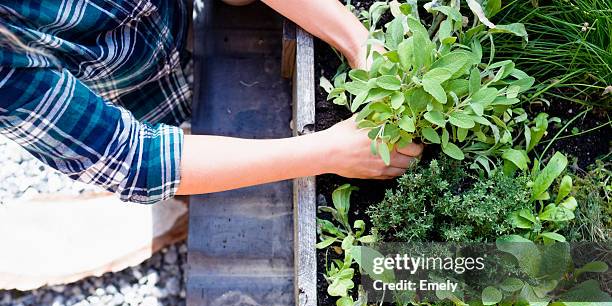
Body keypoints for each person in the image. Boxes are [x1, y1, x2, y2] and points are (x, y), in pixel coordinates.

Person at [0, 0, 423, 204]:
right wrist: (331, 150)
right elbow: (135, 160)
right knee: (198, 184)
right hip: (143, 97)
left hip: (178, 12)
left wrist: (357, 41)